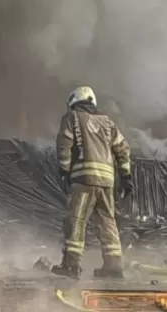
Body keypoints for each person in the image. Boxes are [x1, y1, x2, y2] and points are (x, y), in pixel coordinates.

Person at [53, 85, 133, 280]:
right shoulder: (108, 122)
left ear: (74, 101)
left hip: (84, 179)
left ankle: (71, 266)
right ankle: (113, 266)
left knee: (77, 220)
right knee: (107, 221)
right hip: (107, 181)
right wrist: (126, 176)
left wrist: (64, 171)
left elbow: (64, 144)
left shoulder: (71, 118)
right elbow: (122, 149)